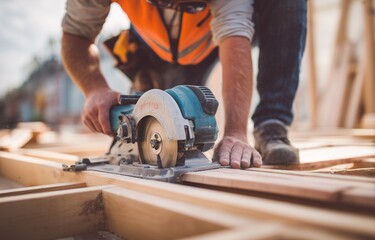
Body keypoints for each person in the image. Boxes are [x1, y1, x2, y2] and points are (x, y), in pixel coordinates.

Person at [61, 0, 307, 168]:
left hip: (208, 39)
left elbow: (235, 35)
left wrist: (236, 133)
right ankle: (147, 81)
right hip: (154, 45)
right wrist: (94, 88)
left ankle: (271, 124)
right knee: (155, 130)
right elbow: (77, 34)